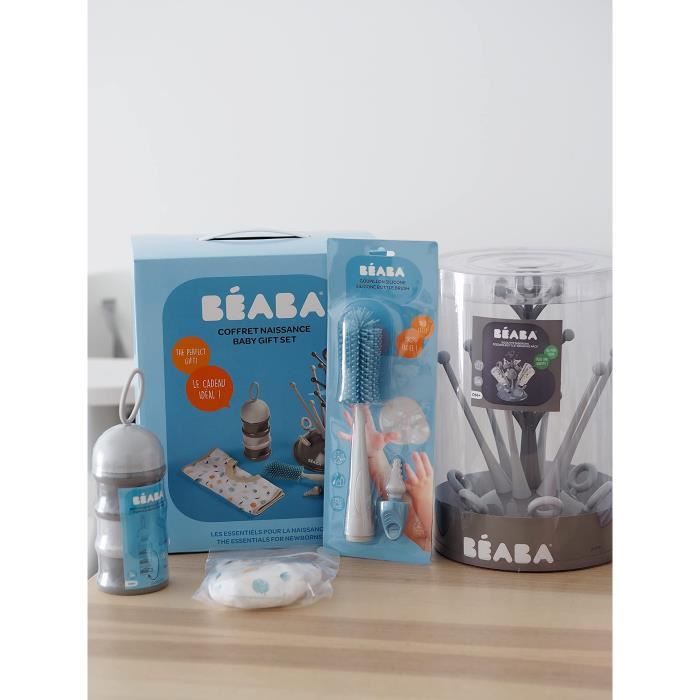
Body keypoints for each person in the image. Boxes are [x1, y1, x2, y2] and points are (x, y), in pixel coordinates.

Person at [337, 404, 433, 551]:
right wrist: (374, 454)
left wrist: (424, 500)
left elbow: (423, 537)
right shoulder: (416, 531)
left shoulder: (428, 540)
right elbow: (415, 530)